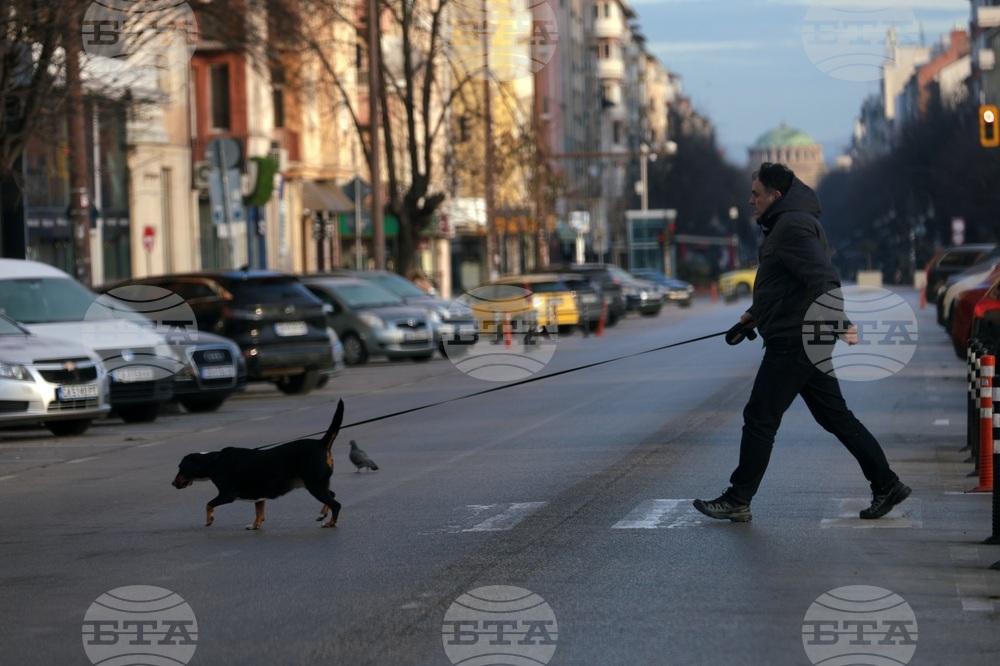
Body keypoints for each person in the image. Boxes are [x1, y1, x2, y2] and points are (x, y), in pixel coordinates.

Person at [693, 162, 910, 523]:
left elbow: (822, 277)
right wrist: (754, 315)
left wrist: (840, 322)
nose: (750, 201)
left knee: (760, 416)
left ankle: (738, 497)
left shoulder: (791, 226)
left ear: (775, 196)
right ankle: (887, 483)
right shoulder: (786, 223)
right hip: (804, 333)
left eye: (756, 194)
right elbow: (787, 285)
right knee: (835, 417)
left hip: (797, 338)